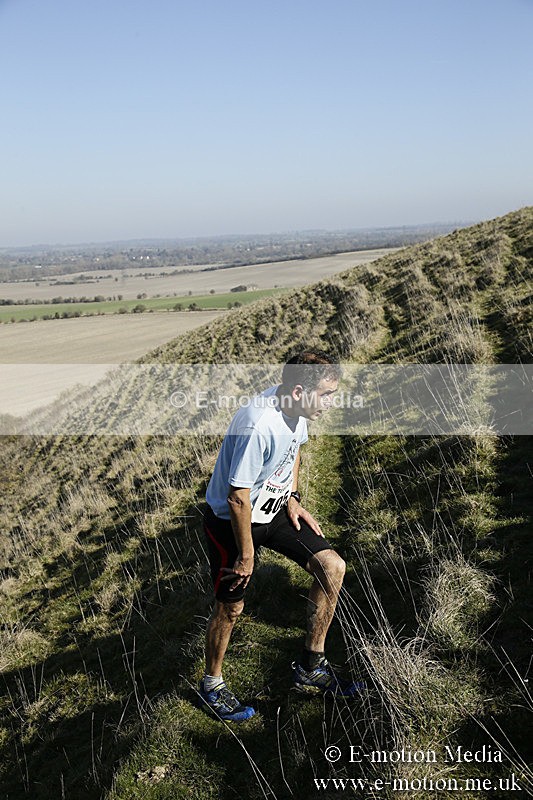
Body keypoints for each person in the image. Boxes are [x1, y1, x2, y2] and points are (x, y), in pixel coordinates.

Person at [198, 350, 363, 722]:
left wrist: (292, 496)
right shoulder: (259, 424)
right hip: (232, 521)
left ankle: (311, 665)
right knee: (231, 607)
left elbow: (295, 450)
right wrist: (246, 555)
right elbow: (237, 497)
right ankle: (212, 684)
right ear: (301, 389)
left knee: (332, 567)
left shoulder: (299, 410)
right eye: (327, 394)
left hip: (273, 510)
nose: (332, 402)